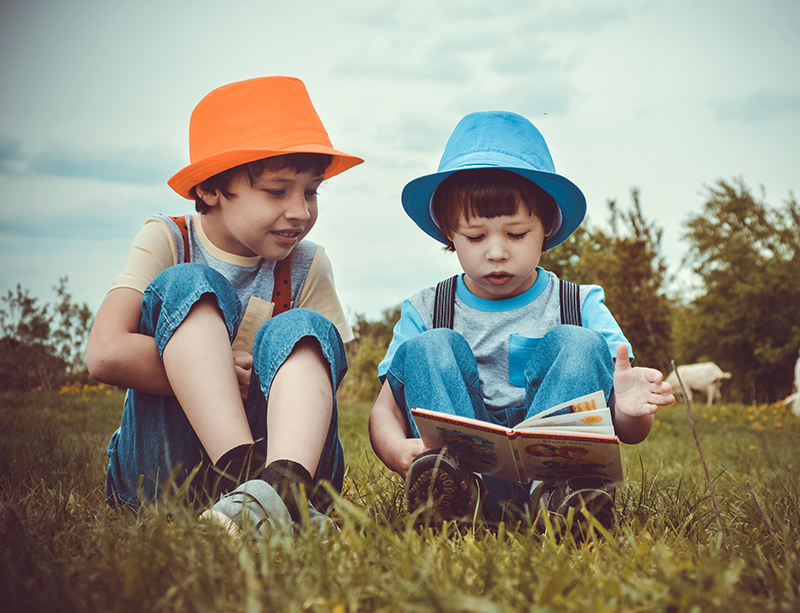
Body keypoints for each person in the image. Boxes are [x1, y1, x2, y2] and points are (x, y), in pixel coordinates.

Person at [368, 111, 674, 537]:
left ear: (546, 227)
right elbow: (384, 410)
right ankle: (452, 497)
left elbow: (629, 431)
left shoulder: (580, 303)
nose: (496, 252)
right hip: (463, 476)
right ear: (448, 233)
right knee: (429, 347)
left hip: (559, 479)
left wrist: (626, 410)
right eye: (476, 237)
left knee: (579, 343)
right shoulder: (426, 309)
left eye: (515, 234)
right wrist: (396, 449)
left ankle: (565, 503)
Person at [85, 76, 363, 536]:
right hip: (165, 473)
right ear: (211, 189)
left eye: (311, 191)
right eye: (278, 191)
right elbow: (105, 353)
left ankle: (283, 487)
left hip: (286, 454)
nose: (300, 211)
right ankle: (251, 485)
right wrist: (212, 374)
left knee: (304, 328)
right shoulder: (168, 239)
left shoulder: (309, 263)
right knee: (189, 283)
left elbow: (327, 368)